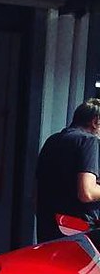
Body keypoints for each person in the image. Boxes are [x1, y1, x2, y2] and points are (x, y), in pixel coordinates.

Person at [35, 98, 100, 242]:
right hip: (79, 234)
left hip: (47, 229)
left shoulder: (52, 141)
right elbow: (87, 192)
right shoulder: (89, 141)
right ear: (95, 122)